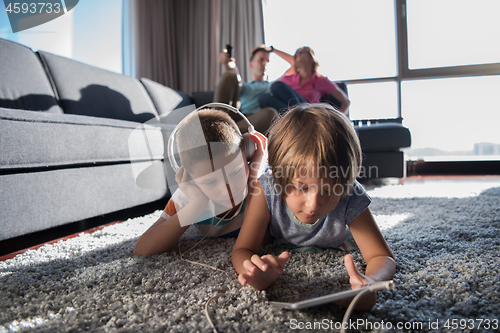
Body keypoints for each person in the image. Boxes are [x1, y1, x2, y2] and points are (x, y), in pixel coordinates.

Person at [231, 103, 395, 311]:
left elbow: (382, 257)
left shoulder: (350, 193)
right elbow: (242, 250)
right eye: (302, 188)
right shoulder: (266, 190)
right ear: (280, 177)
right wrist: (255, 270)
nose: (314, 203)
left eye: (328, 190)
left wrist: (370, 283)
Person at [133, 108, 267, 256]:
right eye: (210, 182)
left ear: (248, 155)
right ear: (190, 178)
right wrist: (196, 205)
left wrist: (253, 179)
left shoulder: (263, 183)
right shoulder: (187, 195)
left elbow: (265, 241)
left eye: (235, 172)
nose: (227, 189)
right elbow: (141, 249)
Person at [258, 47, 351, 116]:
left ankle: (300, 117)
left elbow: (346, 101)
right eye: (296, 54)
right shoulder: (288, 79)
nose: (298, 54)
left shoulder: (321, 80)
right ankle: (294, 118)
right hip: (288, 113)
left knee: (276, 86)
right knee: (264, 98)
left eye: (302, 52)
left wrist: (339, 120)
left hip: (310, 113)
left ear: (311, 58)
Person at [215, 45, 286, 134]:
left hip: (257, 121)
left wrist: (273, 49)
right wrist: (227, 63)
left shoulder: (272, 86)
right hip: (237, 117)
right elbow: (235, 74)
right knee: (229, 75)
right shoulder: (245, 86)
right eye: (261, 60)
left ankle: (221, 134)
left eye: (267, 61)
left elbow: (295, 65)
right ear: (251, 64)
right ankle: (215, 124)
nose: (265, 63)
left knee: (271, 114)